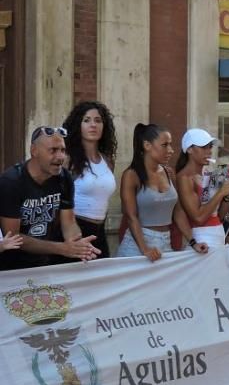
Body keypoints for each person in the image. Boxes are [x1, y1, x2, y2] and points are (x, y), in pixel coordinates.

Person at [0, 126, 100, 270]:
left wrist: (77, 245)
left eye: (63, 150)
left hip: (45, 263)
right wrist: (62, 248)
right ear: (34, 151)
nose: (60, 157)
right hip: (12, 268)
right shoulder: (11, 182)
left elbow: (69, 222)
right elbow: (13, 237)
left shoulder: (64, 178)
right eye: (53, 150)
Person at [116, 124, 207, 260]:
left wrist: (193, 242)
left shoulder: (168, 172)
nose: (170, 150)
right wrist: (145, 249)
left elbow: (178, 212)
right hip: (137, 245)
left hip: (165, 242)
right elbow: (131, 217)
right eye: (165, 145)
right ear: (147, 145)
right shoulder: (131, 175)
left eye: (170, 145)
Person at [63, 100, 118, 258]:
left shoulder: (107, 160)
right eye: (86, 120)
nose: (93, 125)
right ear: (77, 125)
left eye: (98, 120)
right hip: (75, 230)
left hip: (100, 231)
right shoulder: (68, 160)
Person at [176, 129, 229, 249]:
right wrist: (222, 192)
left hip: (217, 234)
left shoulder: (209, 173)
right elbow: (198, 218)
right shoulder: (184, 177)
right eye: (204, 147)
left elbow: (219, 215)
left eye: (210, 146)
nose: (209, 151)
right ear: (190, 150)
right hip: (201, 238)